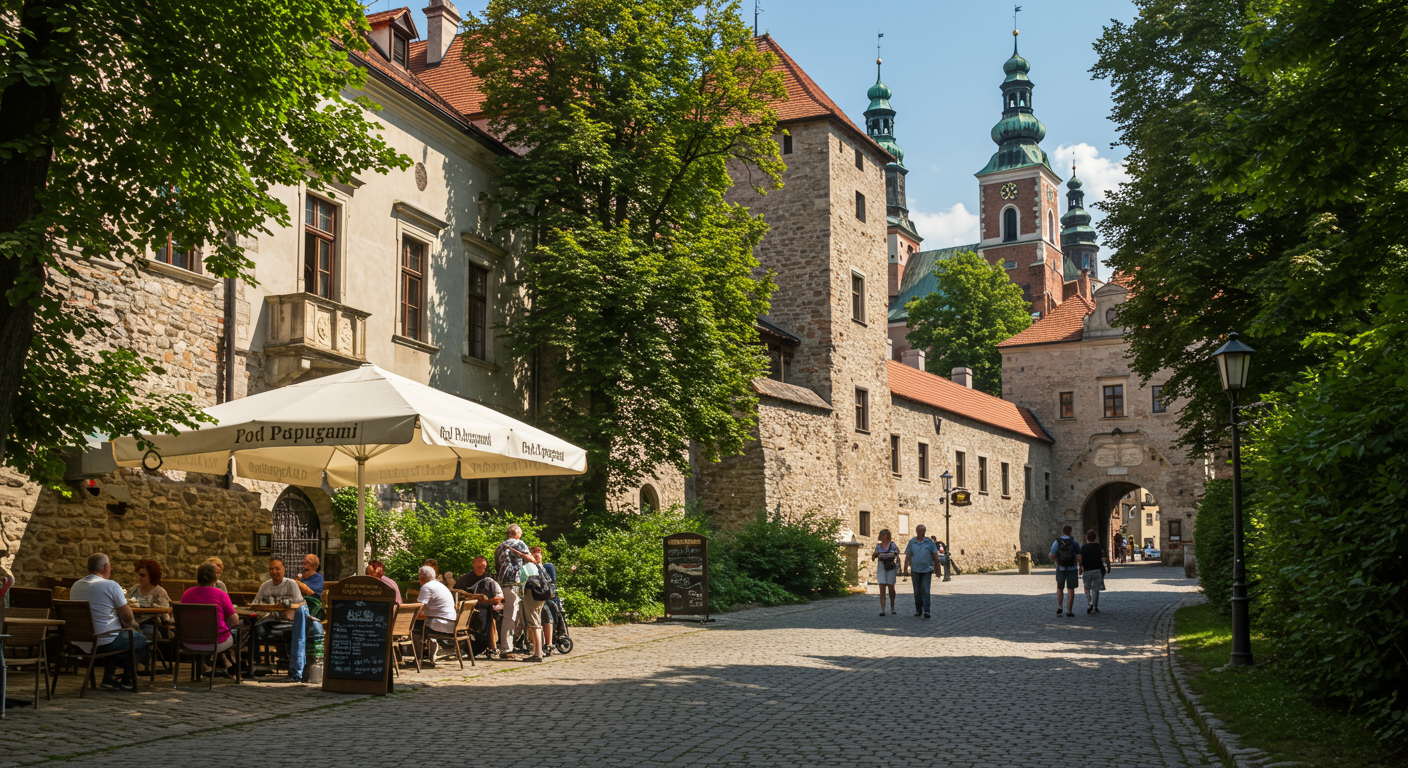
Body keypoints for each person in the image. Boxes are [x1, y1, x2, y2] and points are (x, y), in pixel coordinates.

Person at [70, 552, 149, 691]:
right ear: (106, 567)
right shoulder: (110, 585)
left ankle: (109, 677)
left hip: (80, 642)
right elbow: (128, 617)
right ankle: (127, 678)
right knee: (142, 641)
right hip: (103, 641)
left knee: (114, 634)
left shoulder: (76, 585)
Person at [252, 557, 321, 682]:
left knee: (292, 632)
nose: (274, 572)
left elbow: (300, 605)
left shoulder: (291, 584)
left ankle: (286, 660)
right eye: (271, 569)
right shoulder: (265, 586)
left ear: (284, 570)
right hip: (272, 621)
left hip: (289, 621)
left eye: (277, 568)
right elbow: (255, 604)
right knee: (257, 630)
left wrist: (285, 607)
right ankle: (253, 665)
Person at [179, 563, 242, 676]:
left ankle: (216, 664)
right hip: (215, 642)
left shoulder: (187, 594)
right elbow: (233, 621)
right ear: (216, 578)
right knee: (239, 629)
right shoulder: (220, 594)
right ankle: (234, 666)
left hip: (189, 641)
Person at [494, 524, 541, 660]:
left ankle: (506, 646)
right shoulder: (518, 543)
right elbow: (531, 560)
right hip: (513, 583)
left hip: (502, 583)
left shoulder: (499, 547)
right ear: (517, 533)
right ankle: (506, 649)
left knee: (508, 614)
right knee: (511, 615)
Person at [454, 556, 504, 657]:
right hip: (466, 610)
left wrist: (486, 601)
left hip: (484, 610)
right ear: (474, 564)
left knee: (490, 618)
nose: (481, 566)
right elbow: (455, 593)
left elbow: (499, 598)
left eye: (483, 564)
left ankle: (490, 647)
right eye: (479, 564)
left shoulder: (489, 580)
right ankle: (463, 647)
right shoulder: (465, 579)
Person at [414, 564, 456, 664]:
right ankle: (430, 657)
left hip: (440, 624)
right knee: (424, 623)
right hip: (452, 624)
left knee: (413, 628)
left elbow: (418, 607)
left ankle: (418, 659)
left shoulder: (426, 587)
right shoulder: (441, 586)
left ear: (421, 578)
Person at [127, 559, 172, 640]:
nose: (139, 578)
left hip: (150, 624)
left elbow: (165, 613)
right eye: (139, 575)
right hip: (132, 624)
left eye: (143, 575)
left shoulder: (159, 592)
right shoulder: (135, 589)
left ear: (152, 576)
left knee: (147, 631)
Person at [903, 525, 939, 619]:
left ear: (925, 531)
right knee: (917, 591)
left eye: (922, 530)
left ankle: (927, 611)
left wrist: (937, 569)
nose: (920, 532)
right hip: (915, 570)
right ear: (916, 531)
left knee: (926, 591)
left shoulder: (929, 542)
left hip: (927, 570)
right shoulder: (912, 542)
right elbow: (908, 556)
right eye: (918, 530)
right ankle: (918, 610)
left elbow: (935, 556)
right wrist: (905, 569)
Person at [518, 555, 546, 662]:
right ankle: (540, 651)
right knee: (537, 622)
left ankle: (537, 653)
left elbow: (521, 583)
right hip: (540, 595)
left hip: (531, 595)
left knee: (534, 624)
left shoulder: (525, 568)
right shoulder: (537, 567)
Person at [1051, 525, 1081, 617]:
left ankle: (1060, 607)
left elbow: (1051, 555)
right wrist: (1081, 566)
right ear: (1071, 532)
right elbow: (1079, 556)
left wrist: (1057, 561)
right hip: (1072, 568)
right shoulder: (1074, 543)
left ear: (1063, 531)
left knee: (1060, 588)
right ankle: (1069, 611)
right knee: (1070, 589)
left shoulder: (1057, 542)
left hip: (1061, 568)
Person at [1078, 529, 1110, 614]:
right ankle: (1095, 606)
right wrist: (1107, 566)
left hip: (1087, 570)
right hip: (1097, 570)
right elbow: (1103, 558)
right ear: (1095, 538)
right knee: (1096, 589)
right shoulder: (1098, 546)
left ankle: (1089, 603)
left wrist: (1080, 568)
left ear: (1087, 538)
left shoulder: (1083, 547)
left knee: (1087, 588)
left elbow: (1080, 559)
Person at [871, 529, 900, 616]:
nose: (884, 538)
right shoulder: (878, 546)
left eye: (886, 536)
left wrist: (893, 554)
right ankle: (883, 610)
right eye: (883, 536)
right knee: (882, 587)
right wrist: (875, 555)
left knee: (891, 587)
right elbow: (873, 557)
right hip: (881, 566)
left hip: (890, 567)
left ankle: (892, 607)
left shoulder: (892, 545)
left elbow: (897, 553)